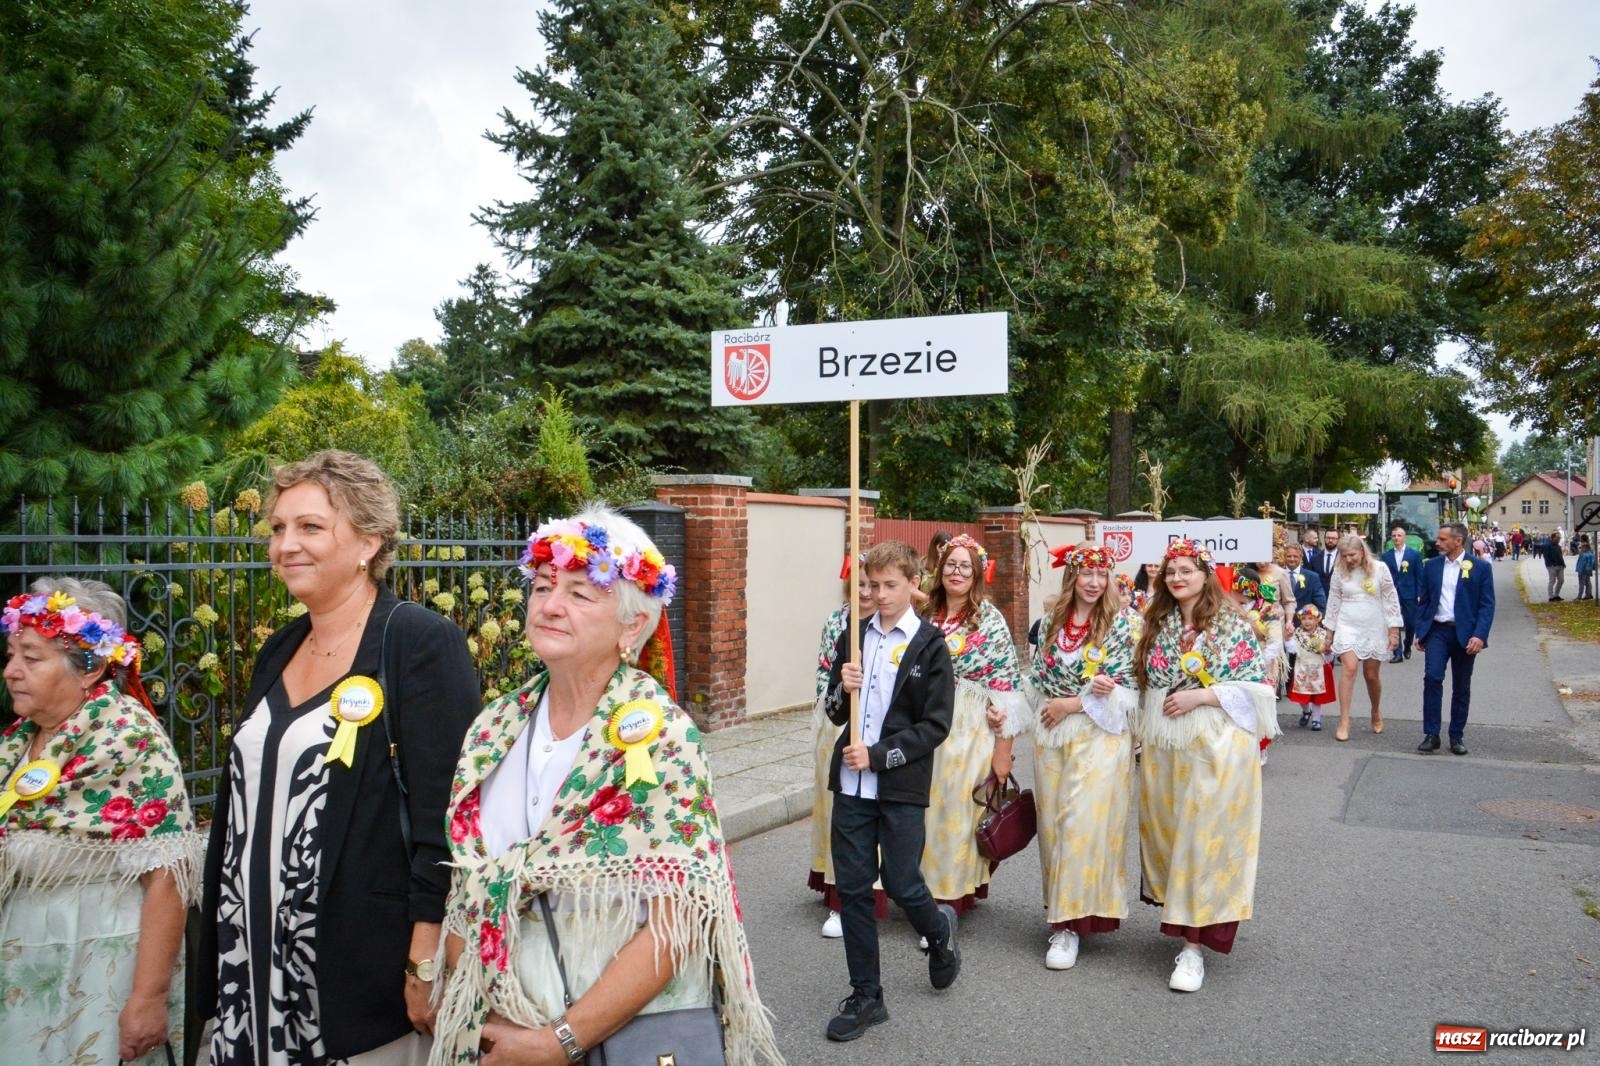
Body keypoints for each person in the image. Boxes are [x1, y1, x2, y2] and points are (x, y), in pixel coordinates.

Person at [428, 507, 780, 1065]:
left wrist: (559, 1041)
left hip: (617, 1041)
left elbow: (680, 920)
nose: (549, 605)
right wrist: (480, 1008)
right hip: (499, 1035)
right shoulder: (493, 727)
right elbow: (468, 884)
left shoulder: (661, 736)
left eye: (579, 594)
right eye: (543, 587)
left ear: (632, 625)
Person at [200, 451, 482, 1065]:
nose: (285, 545)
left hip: (354, 974)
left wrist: (424, 955)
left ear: (368, 543)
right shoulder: (280, 647)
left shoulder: (417, 642)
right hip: (249, 966)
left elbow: (449, 816)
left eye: (309, 527)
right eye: (278, 528)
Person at [1, 579, 203, 1064]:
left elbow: (168, 878)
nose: (11, 671)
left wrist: (147, 1000)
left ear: (89, 668)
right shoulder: (19, 742)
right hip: (24, 966)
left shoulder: (127, 739)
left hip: (98, 968)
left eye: (31, 658)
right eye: (11, 655)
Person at [822, 539, 959, 1041]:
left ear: (912, 585)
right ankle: (866, 996)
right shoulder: (854, 637)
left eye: (889, 585)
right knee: (854, 890)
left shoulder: (929, 644)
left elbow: (935, 725)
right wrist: (843, 683)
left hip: (899, 785)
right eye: (873, 585)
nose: (879, 595)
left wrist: (879, 756)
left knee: (901, 883)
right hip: (852, 787)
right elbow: (835, 710)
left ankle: (938, 930)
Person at [1132, 539, 1276, 993]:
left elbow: (1259, 689)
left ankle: (1194, 949)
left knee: (1205, 840)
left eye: (1186, 570)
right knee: (1174, 838)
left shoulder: (1231, 622)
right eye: (1171, 571)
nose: (1177, 578)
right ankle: (1183, 924)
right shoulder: (1155, 622)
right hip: (1165, 749)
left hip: (1217, 745)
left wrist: (1201, 695)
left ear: (1205, 574)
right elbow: (1141, 684)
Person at [1023, 545, 1139, 971]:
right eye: (1086, 574)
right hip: (1053, 735)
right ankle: (1061, 918)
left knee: (1083, 823)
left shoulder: (1124, 624)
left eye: (1101, 574)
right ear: (1073, 577)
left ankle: (1070, 926)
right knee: (1054, 826)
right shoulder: (1052, 621)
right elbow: (1037, 679)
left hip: (1101, 735)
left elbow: (1132, 686)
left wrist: (1079, 703)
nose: (1093, 582)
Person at [922, 533, 1028, 912]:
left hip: (967, 731)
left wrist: (1004, 753)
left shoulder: (990, 620)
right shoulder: (924, 615)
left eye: (966, 566)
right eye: (951, 563)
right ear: (939, 568)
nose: (957, 571)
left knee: (955, 810)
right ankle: (921, 889)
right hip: (922, 727)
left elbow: (1006, 690)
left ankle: (948, 895)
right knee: (924, 810)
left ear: (978, 573)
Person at [811, 562, 884, 938]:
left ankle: (885, 891)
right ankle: (842, 895)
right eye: (859, 584)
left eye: (874, 584)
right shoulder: (837, 621)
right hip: (839, 728)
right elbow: (825, 679)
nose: (867, 592)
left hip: (882, 739)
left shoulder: (897, 625)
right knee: (842, 815)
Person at [1415, 522, 1496, 756]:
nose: (1437, 543)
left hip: (1465, 634)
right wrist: (1422, 631)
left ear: (1457, 541)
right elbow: (1425, 601)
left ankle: (1456, 736)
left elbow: (1486, 605)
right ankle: (1431, 734)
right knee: (1432, 678)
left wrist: (1479, 635)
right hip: (1438, 631)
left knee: (1461, 686)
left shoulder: (1479, 567)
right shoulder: (1431, 566)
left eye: (1442, 539)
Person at [1323, 534, 1403, 742]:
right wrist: (1329, 634)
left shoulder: (1380, 569)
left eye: (1352, 555)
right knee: (1349, 668)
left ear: (1362, 551)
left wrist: (1394, 630)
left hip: (1374, 623)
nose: (1349, 559)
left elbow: (1390, 598)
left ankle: (1375, 710)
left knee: (1371, 674)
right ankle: (1344, 720)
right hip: (1347, 622)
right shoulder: (1339, 571)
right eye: (1345, 555)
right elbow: (1333, 601)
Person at [1286, 604, 1337, 729]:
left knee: (1316, 696)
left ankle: (1316, 719)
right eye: (1303, 618)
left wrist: (1328, 652)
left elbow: (1329, 657)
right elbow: (1291, 649)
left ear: (1317, 619)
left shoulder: (1324, 634)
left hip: (1318, 668)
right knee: (1300, 695)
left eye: (1310, 618)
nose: (1307, 621)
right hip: (1302, 667)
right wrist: (1287, 638)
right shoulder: (1297, 633)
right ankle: (1306, 711)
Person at [1382, 527, 1424, 662]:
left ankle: (1407, 644)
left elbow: (1420, 576)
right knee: (1394, 622)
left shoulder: (1414, 555)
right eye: (1393, 536)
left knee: (1411, 623)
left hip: (1410, 593)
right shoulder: (1386, 556)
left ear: (1404, 537)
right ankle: (1397, 652)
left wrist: (1419, 593)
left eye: (1399, 535)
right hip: (1392, 593)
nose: (1396, 538)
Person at [1541, 530, 1567, 601]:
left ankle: (1556, 594)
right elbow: (1546, 556)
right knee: (1552, 580)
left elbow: (1560, 555)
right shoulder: (1547, 545)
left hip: (1560, 565)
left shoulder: (1558, 546)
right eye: (1557, 538)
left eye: (1559, 538)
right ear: (1553, 538)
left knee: (1561, 580)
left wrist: (1563, 563)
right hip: (1552, 566)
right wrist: (1550, 564)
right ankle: (1551, 596)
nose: (1558, 540)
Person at [1576, 537, 1596, 601]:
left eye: (1582, 548)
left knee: (1581, 584)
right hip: (1586, 571)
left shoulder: (1585, 555)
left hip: (1583, 571)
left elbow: (1587, 564)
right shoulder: (1589, 554)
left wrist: (1583, 570)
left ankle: (1579, 596)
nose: (1581, 549)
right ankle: (1588, 595)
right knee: (1587, 583)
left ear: (1586, 548)